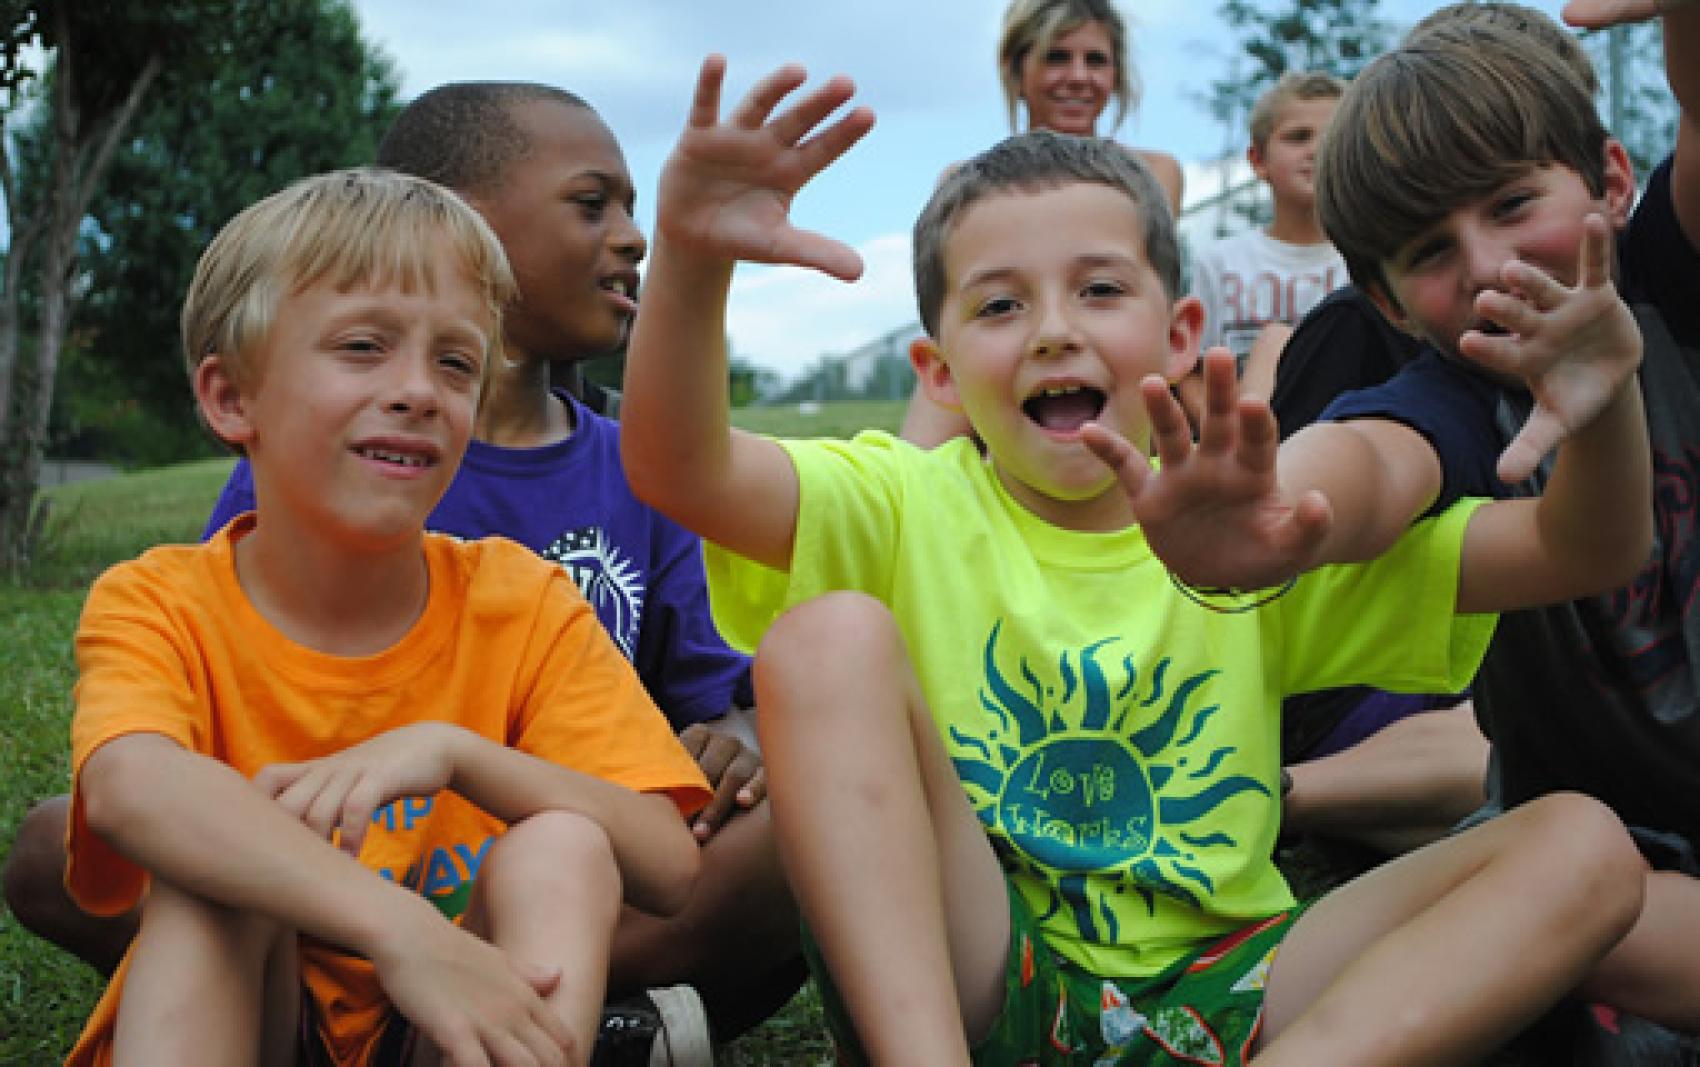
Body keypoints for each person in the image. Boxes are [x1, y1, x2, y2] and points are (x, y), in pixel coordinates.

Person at [617, 55, 1655, 1064]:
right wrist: (693, 256)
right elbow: (678, 466)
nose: (1052, 331)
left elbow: (1586, 547)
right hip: (987, 972)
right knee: (826, 633)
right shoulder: (900, 502)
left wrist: (1600, 402)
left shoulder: (1254, 525)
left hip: (1235, 982)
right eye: (997, 304)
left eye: (1099, 289)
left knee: (1581, 844)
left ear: (1179, 332)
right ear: (935, 372)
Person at [2, 82, 801, 1056]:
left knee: (564, 841)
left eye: (457, 363)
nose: (418, 391)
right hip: (267, 986)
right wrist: (399, 928)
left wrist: (453, 751)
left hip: (467, 985)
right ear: (228, 397)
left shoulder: (522, 593)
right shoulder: (160, 596)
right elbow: (130, 787)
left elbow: (665, 860)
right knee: (209, 870)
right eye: (362, 347)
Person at [1296, 0, 1700, 1048]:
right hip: (1604, 872)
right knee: (1550, 904)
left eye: (1514, 202)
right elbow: (1366, 461)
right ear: (1387, 306)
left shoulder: (1669, 289)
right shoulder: (1453, 402)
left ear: (1611, 181)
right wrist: (1271, 505)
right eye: (1430, 249)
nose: (1483, 263)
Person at [900, 0, 1181, 448]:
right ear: (1016, 70)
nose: (1078, 76)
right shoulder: (961, 184)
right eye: (1056, 57)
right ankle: (913, 491)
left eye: (1095, 60)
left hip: (1121, 358)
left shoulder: (1153, 174)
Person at [1189, 71, 1345, 396]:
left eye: (1333, 137)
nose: (1316, 150)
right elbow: (1192, 373)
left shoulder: (1371, 262)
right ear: (1258, 161)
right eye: (1298, 137)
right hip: (1243, 435)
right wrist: (1226, 438)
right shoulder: (1219, 261)